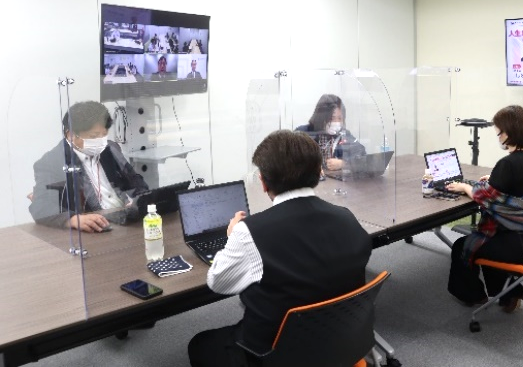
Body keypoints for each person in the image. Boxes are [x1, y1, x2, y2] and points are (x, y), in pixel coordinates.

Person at [187, 130, 372, 367]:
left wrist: (232, 237)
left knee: (200, 344)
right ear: (319, 172)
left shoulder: (249, 232)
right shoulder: (347, 218)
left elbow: (218, 283)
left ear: (263, 182)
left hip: (274, 356)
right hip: (342, 345)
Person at [446, 105, 523, 312]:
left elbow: (485, 198)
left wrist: (464, 187)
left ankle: (473, 295)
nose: (498, 137)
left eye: (498, 133)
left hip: (520, 243)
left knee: (462, 246)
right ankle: (510, 294)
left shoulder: (508, 164)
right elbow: (520, 186)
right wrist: (494, 178)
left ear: (508, 133)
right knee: (491, 239)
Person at [29, 101, 148, 232]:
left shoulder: (111, 148)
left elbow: (135, 181)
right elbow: (40, 206)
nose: (101, 141)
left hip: (129, 219)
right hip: (98, 228)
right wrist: (73, 219)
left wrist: (140, 200)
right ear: (70, 135)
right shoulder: (52, 162)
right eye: (94, 136)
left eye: (104, 134)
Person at [295, 94, 366, 171]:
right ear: (321, 117)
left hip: (333, 178)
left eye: (340, 118)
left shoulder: (344, 134)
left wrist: (344, 163)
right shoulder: (304, 133)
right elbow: (292, 159)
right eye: (332, 118)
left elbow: (361, 155)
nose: (337, 122)